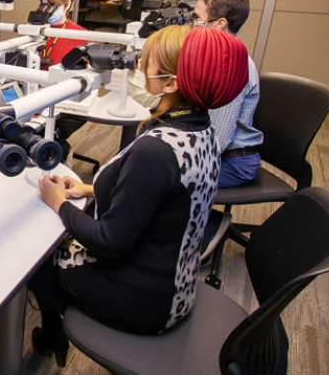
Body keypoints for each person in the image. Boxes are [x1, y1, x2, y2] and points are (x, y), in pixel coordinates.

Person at [29, 25, 249, 367]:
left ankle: (52, 335)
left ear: (173, 83)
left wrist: (58, 202)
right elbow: (165, 193)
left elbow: (107, 242)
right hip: (177, 283)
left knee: (38, 259)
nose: (140, 63)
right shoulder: (202, 129)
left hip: (144, 303)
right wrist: (89, 188)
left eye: (148, 60)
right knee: (75, 220)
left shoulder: (156, 151)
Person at [192, 0, 264, 187]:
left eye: (196, 18)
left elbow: (217, 141)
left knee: (154, 179)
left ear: (220, 24)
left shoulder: (231, 66)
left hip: (231, 161)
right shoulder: (213, 55)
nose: (191, 24)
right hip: (212, 150)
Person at [38, 0, 90, 162]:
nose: (50, 11)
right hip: (38, 94)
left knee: (50, 135)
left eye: (55, 6)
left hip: (68, 101)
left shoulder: (80, 35)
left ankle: (62, 155)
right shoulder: (36, 32)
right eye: (46, 5)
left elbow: (85, 79)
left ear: (68, 4)